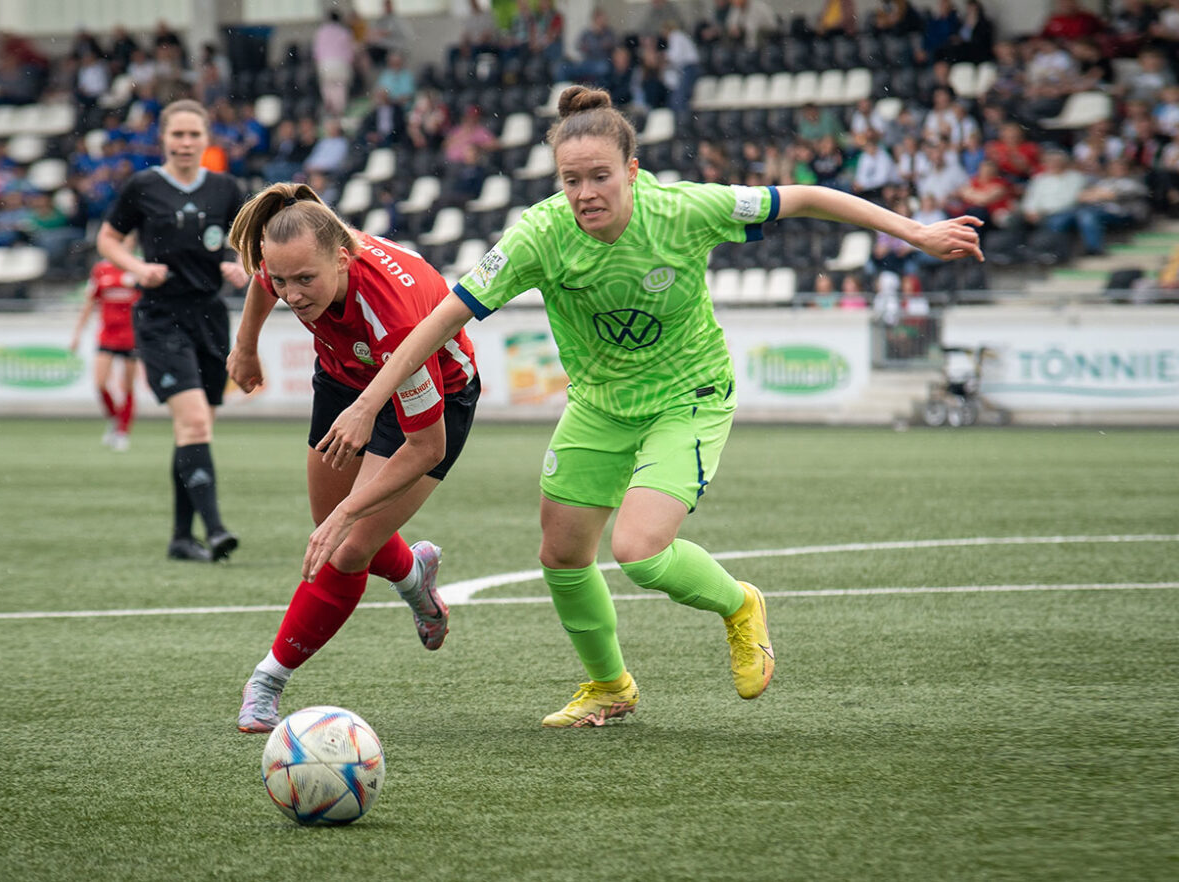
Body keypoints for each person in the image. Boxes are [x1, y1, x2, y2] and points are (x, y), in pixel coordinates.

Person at [312, 86, 984, 728]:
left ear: (632, 170)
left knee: (637, 548)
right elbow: (439, 318)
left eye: (599, 177)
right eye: (570, 180)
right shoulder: (540, 236)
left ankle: (740, 605)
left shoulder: (685, 209)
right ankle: (609, 686)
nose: (584, 193)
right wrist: (371, 401)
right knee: (562, 555)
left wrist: (913, 232)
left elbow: (803, 196)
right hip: (600, 406)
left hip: (687, 397)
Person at [227, 183, 482, 732]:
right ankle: (414, 575)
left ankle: (267, 682)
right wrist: (246, 346)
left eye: (305, 280)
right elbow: (263, 282)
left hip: (435, 392)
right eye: (284, 278)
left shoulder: (391, 314)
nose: (293, 294)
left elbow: (426, 447)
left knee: (344, 547)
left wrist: (349, 514)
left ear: (342, 258)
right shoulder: (298, 258)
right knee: (333, 525)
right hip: (346, 380)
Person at [96, 98, 250, 563]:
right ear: (162, 139)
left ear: (207, 139)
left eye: (193, 135)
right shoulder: (143, 186)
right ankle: (217, 529)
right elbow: (107, 238)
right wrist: (135, 266)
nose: (185, 143)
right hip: (161, 317)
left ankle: (182, 539)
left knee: (194, 432)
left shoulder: (226, 188)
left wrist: (239, 263)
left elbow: (248, 243)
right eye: (177, 135)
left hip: (210, 317)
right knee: (195, 423)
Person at [71, 257, 143, 452]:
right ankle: (115, 419)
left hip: (131, 337)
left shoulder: (137, 267)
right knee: (100, 383)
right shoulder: (101, 269)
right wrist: (77, 333)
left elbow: (148, 303)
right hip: (107, 336)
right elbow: (89, 302)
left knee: (128, 386)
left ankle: (123, 432)